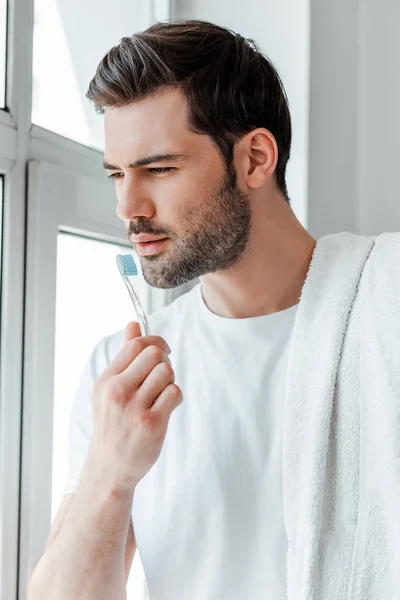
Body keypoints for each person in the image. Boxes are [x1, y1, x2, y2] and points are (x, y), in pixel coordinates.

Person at [27, 19, 400, 600]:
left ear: (254, 159)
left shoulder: (385, 310)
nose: (128, 206)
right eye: (116, 175)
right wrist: (110, 474)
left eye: (158, 169)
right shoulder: (122, 373)